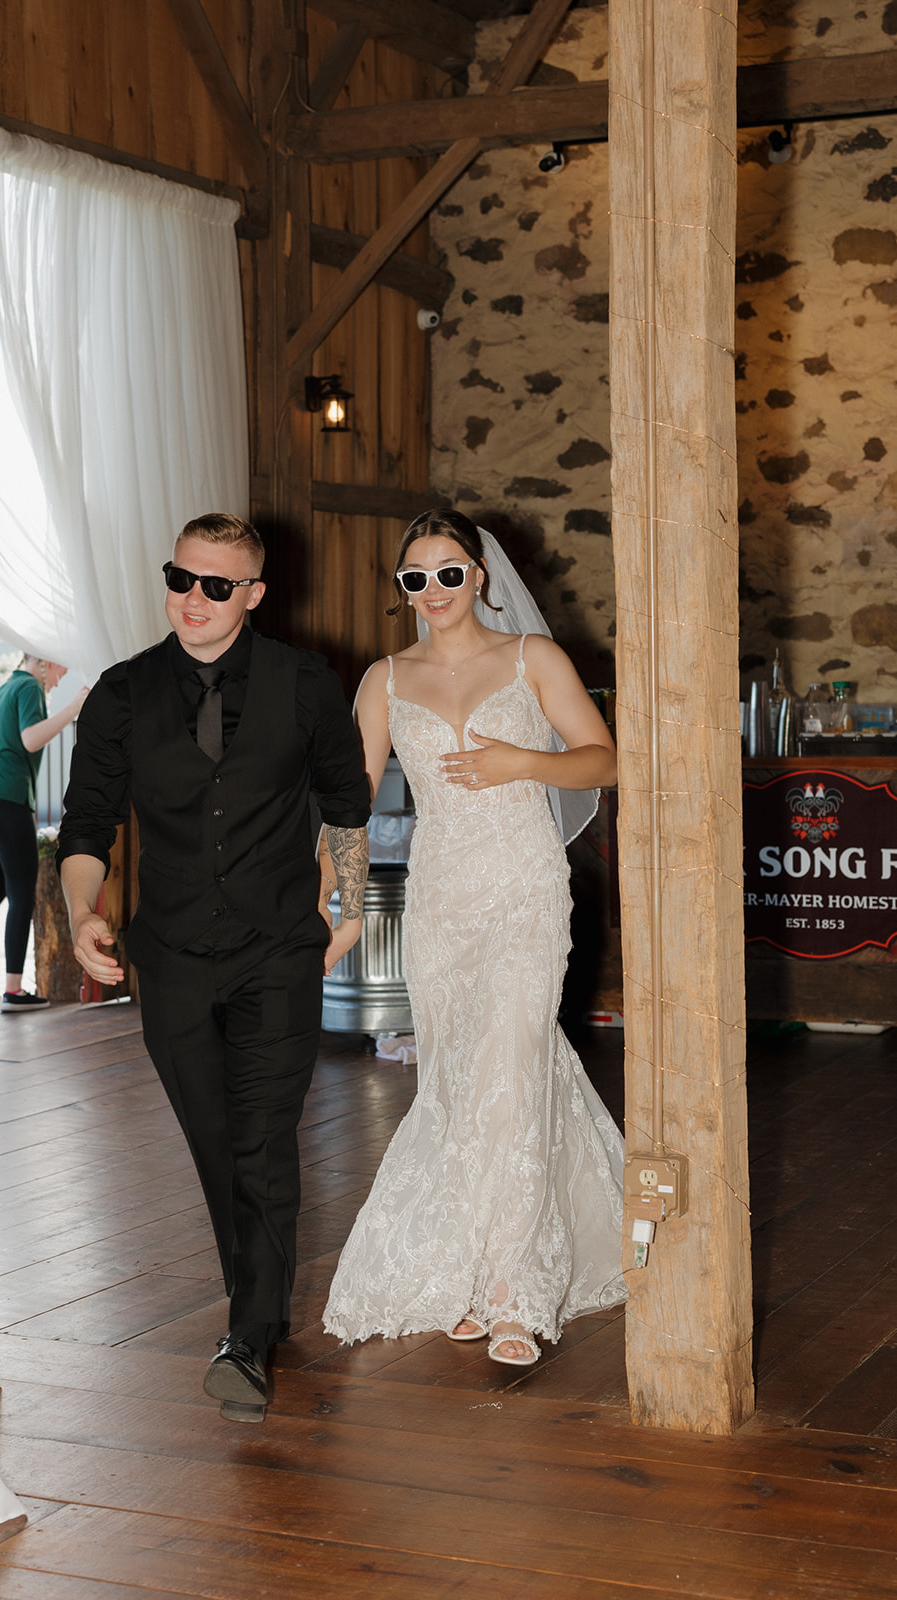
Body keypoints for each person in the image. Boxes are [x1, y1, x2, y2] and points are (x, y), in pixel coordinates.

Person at [58, 512, 370, 1422]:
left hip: (279, 948)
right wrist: (84, 908)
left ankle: (247, 1332)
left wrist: (347, 906)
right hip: (173, 955)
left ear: (253, 594)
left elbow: (345, 806)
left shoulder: (306, 682)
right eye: (180, 578)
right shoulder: (121, 693)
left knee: (263, 1138)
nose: (192, 598)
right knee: (211, 1140)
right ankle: (258, 1306)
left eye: (215, 585)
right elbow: (86, 823)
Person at [323, 509, 627, 1367]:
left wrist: (521, 763)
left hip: (526, 888)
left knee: (511, 1062)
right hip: (442, 897)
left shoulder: (532, 660)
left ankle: (512, 1295)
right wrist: (344, 906)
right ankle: (466, 1267)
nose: (433, 591)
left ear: (480, 577)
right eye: (414, 578)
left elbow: (603, 759)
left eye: (448, 572)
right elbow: (349, 802)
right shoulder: (383, 678)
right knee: (461, 1078)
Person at [0, 656, 87, 1009]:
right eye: (60, 664)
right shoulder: (29, 686)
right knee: (22, 894)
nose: (64, 671)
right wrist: (74, 708)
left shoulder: (6, 686)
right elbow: (31, 740)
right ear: (42, 661)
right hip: (6, 801)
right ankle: (14, 989)